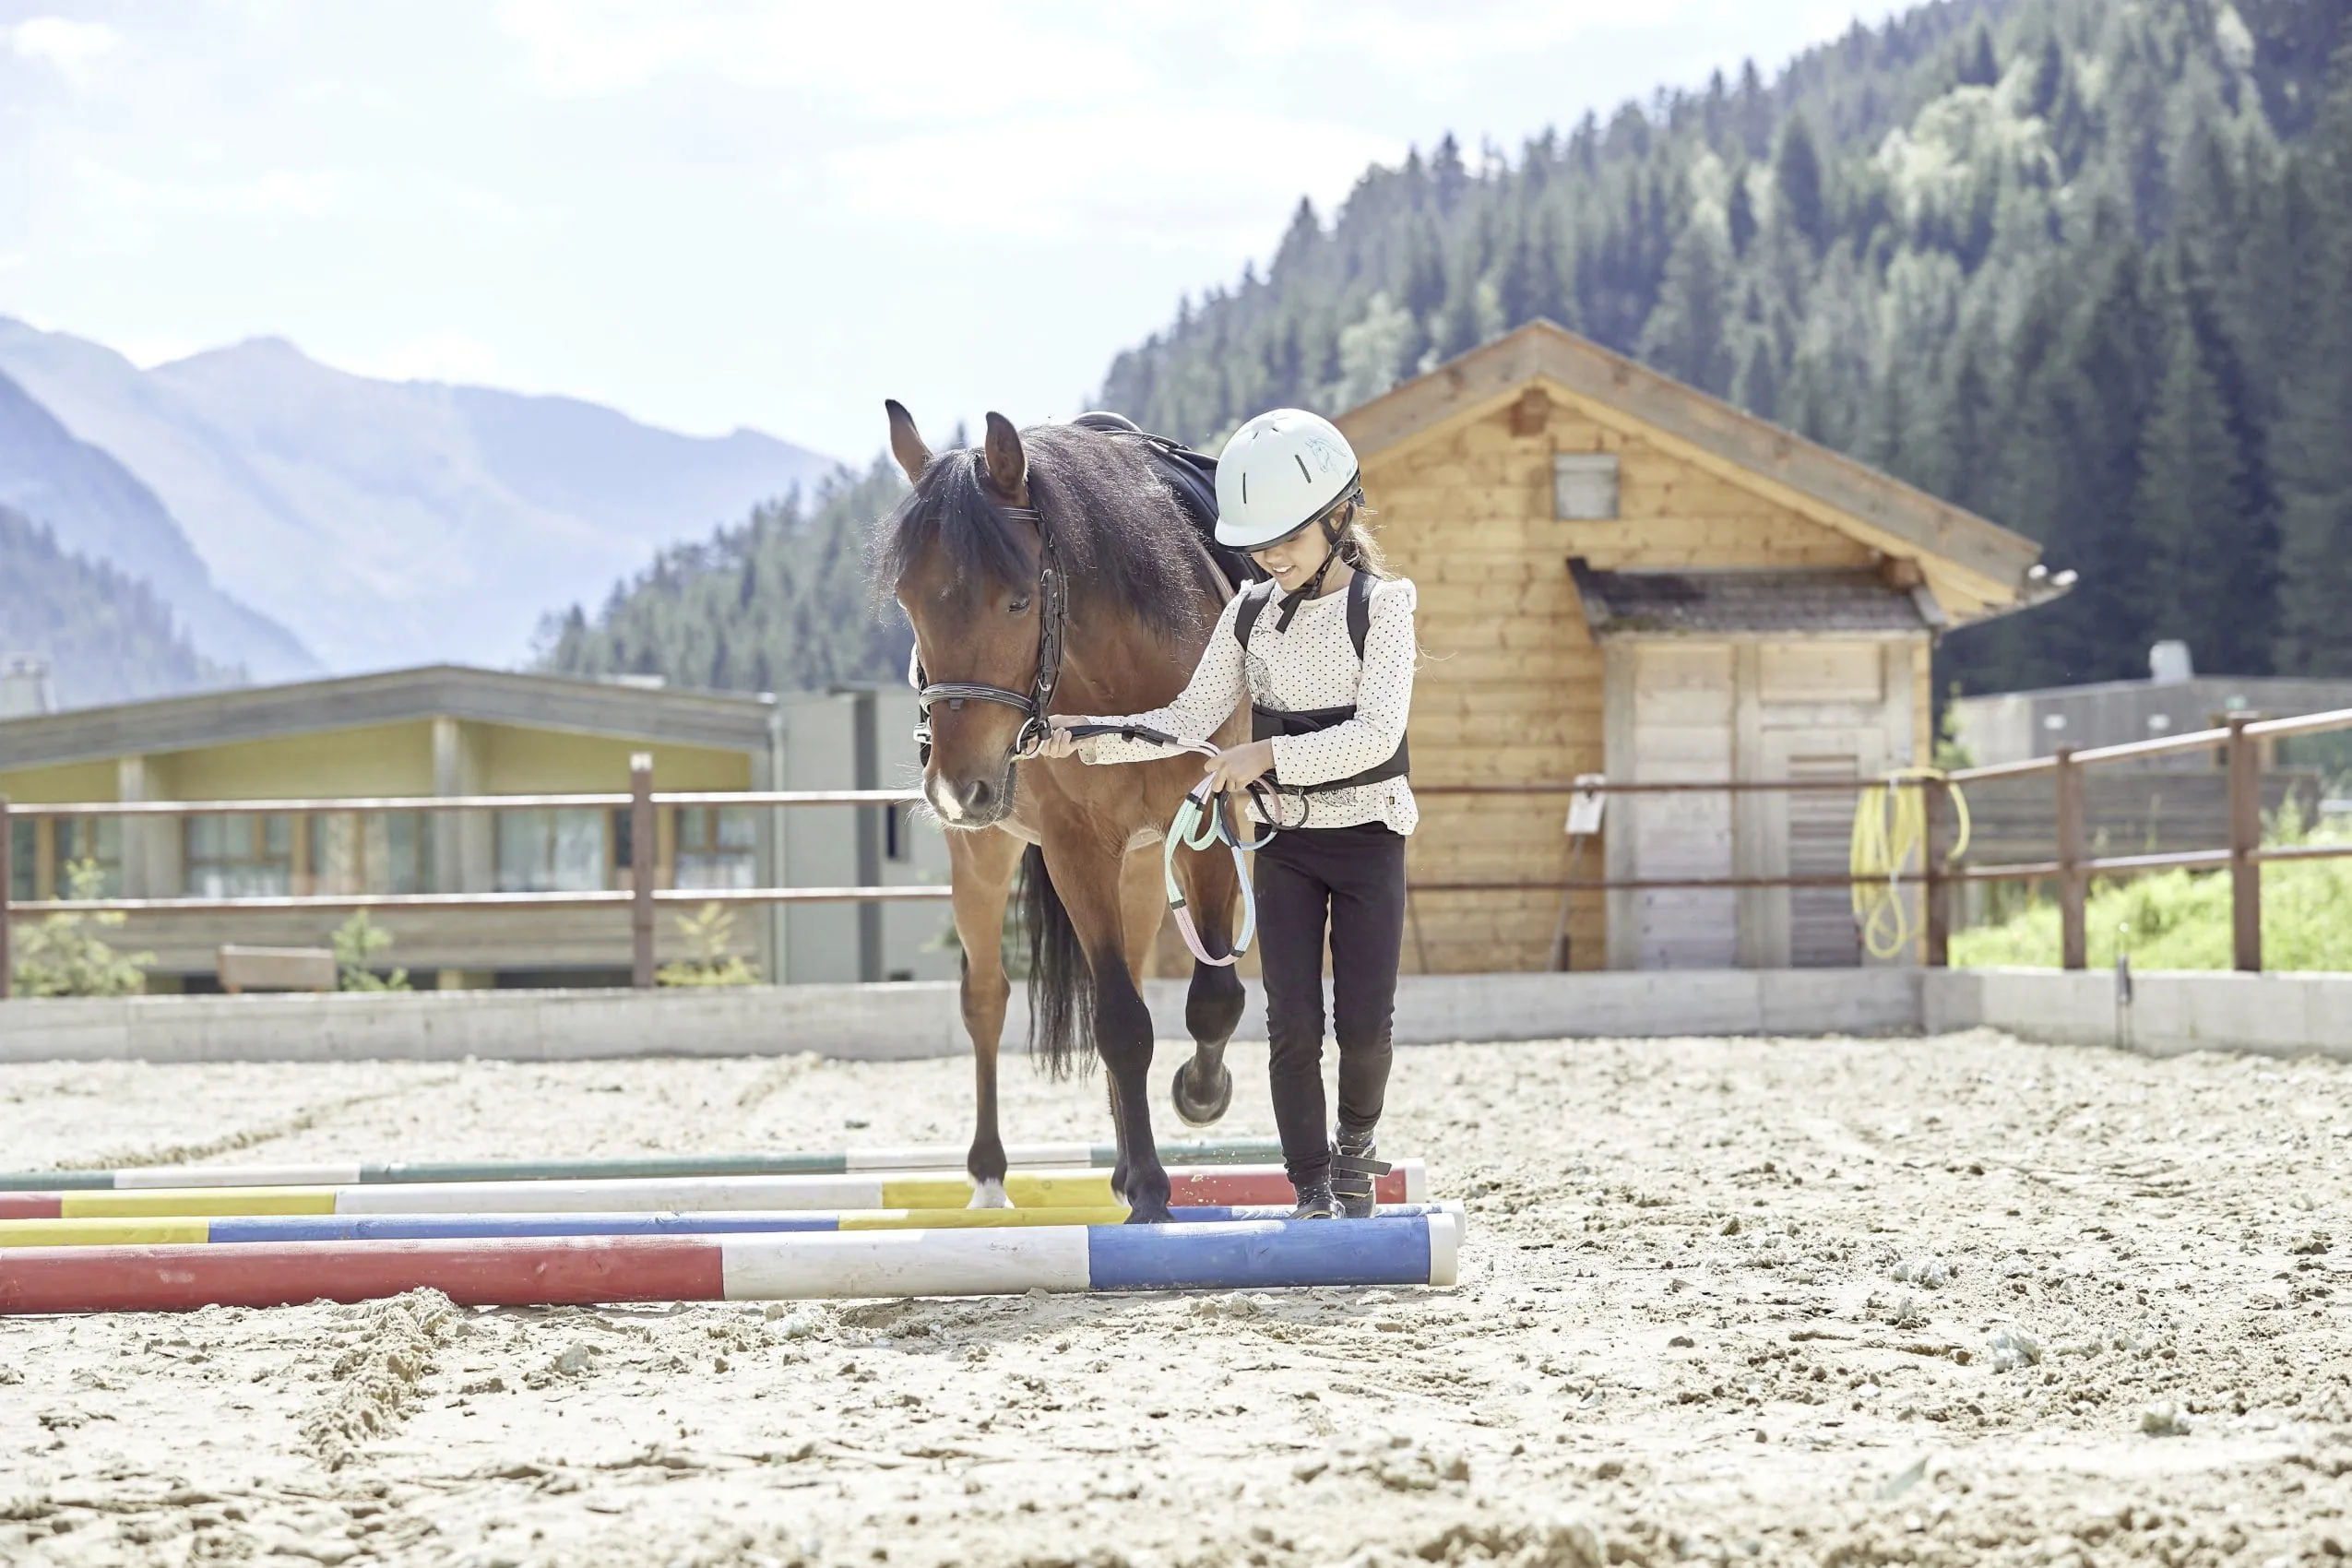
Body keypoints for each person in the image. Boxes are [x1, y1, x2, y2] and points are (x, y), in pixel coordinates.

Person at [1037, 409, 1418, 1219]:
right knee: (1289, 1028)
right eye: (1258, 544)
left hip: (1368, 838)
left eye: (1287, 540)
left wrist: (1265, 757)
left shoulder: (1385, 609)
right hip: (1285, 843)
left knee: (1363, 1027)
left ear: (1338, 516)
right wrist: (1090, 742)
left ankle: (1357, 1156)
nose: (1271, 558)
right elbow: (1185, 716)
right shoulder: (1247, 614)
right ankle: (1312, 1188)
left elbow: (1379, 734)